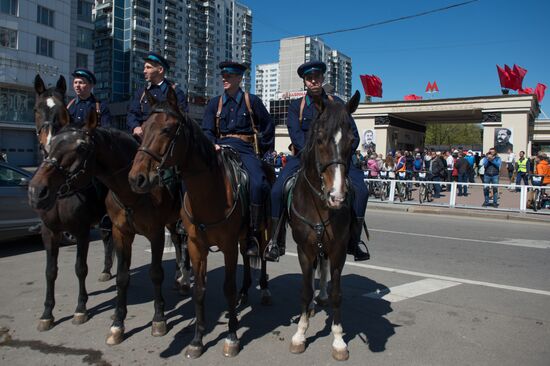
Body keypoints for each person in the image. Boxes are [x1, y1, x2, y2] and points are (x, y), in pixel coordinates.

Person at [266, 61, 369, 262]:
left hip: (335, 159)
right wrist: (312, 154)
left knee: (362, 191)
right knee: (277, 190)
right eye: (309, 78)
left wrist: (341, 153)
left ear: (322, 78)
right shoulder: (297, 106)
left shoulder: (337, 103)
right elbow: (295, 135)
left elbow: (353, 135)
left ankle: (354, 241)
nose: (313, 81)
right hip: (304, 157)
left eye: (317, 77)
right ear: (305, 81)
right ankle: (276, 241)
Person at [202, 61, 274, 256]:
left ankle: (252, 232)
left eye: (229, 75)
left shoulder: (252, 101)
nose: (224, 78)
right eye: (223, 75)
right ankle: (191, 226)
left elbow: (268, 128)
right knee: (192, 176)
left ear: (240, 78)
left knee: (258, 183)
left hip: (245, 149)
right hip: (219, 148)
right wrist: (211, 144)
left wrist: (264, 153)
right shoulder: (214, 103)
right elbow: (207, 129)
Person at [127, 51, 188, 139]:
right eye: (144, 67)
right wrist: (135, 127)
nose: (144, 71)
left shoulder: (175, 93)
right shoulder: (141, 93)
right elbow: (132, 113)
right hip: (143, 139)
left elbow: (183, 119)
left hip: (165, 141)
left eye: (148, 67)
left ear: (160, 70)